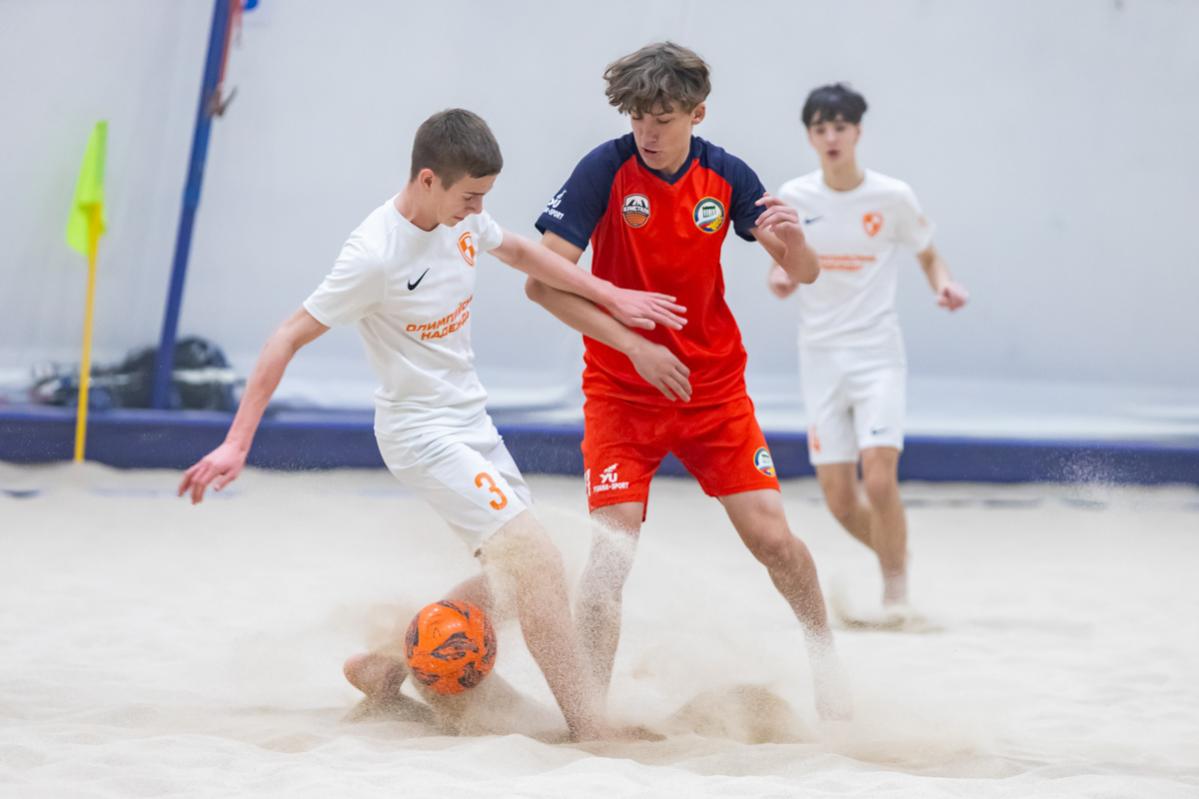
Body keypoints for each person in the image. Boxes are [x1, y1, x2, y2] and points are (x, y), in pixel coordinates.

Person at [177, 108, 690, 741]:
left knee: (515, 580)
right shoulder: (374, 255)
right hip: (421, 434)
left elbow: (520, 251)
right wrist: (236, 443)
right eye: (470, 197)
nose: (478, 210)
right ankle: (591, 729)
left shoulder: (463, 217)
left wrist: (609, 294)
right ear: (427, 179)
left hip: (471, 420)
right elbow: (286, 336)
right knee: (537, 562)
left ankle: (384, 666)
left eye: (485, 197)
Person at [526, 42, 846, 718]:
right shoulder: (603, 170)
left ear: (697, 113)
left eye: (663, 119)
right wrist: (631, 344)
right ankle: (589, 717)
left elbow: (804, 272)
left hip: (711, 392)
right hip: (621, 391)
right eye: (637, 117)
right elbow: (541, 284)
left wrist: (795, 244)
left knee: (773, 540)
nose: (648, 132)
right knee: (609, 556)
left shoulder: (725, 174)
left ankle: (827, 665)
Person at [769, 83, 969, 618]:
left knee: (879, 478)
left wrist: (945, 285)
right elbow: (783, 262)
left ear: (857, 132)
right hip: (819, 356)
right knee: (839, 500)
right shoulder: (795, 196)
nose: (831, 137)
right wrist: (781, 278)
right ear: (810, 136)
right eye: (820, 129)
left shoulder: (892, 196)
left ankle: (895, 591)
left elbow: (929, 255)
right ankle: (896, 553)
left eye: (840, 127)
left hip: (877, 352)